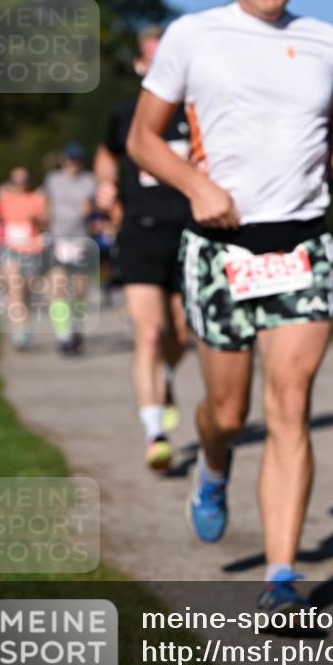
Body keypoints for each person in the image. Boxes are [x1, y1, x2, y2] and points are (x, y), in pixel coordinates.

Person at [127, 0, 333, 611]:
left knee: (290, 406)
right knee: (226, 412)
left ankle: (280, 578)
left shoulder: (326, 43)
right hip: (220, 251)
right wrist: (197, 186)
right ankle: (214, 465)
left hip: (301, 245)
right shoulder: (193, 36)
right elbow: (142, 139)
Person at [94, 27, 191, 472]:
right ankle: (155, 432)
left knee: (181, 334)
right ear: (139, 66)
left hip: (190, 233)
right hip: (140, 232)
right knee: (149, 333)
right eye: (152, 61)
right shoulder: (125, 115)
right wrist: (105, 185)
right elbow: (107, 153)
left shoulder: (196, 111)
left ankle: (166, 374)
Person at [43, 143, 96, 355]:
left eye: (76, 160)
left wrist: (89, 208)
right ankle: (63, 335)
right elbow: (45, 204)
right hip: (57, 239)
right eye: (69, 159)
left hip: (80, 239)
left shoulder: (89, 180)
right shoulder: (52, 180)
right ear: (63, 160)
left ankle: (76, 327)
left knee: (79, 290)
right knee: (57, 287)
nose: (73, 164)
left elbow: (89, 206)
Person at [0, 167, 46, 349]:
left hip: (31, 250)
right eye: (16, 181)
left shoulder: (36, 199)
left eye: (23, 181)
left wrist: (37, 218)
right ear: (10, 182)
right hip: (9, 249)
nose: (19, 185)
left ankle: (22, 324)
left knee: (27, 291)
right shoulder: (3, 200)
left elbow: (45, 221)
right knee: (15, 287)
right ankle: (19, 332)